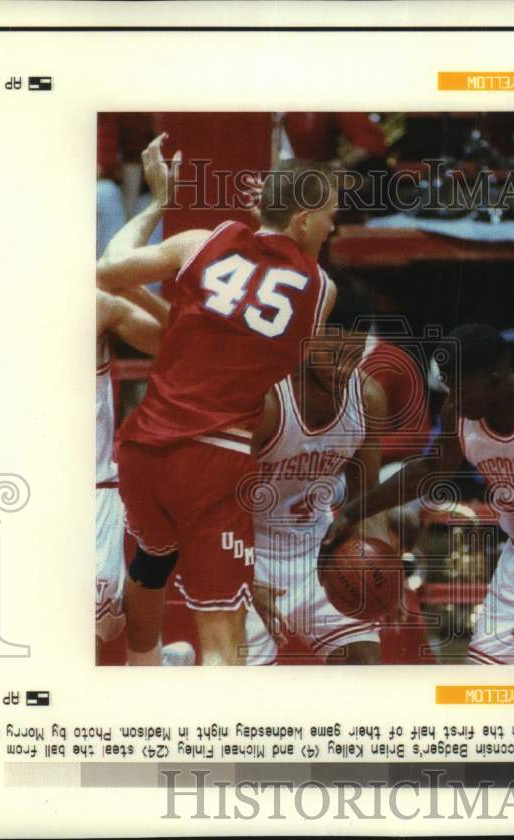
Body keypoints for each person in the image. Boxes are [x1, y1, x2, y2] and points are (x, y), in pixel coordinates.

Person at [97, 136, 338, 666]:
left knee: (150, 568)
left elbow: (109, 266)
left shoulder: (202, 241)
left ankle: (144, 674)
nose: (333, 227)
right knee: (222, 639)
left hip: (142, 449)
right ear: (301, 222)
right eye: (328, 217)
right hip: (213, 459)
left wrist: (159, 204)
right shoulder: (321, 289)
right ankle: (213, 745)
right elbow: (262, 340)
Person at [325, 323, 514, 664]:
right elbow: (429, 471)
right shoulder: (458, 413)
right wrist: (355, 512)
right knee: (486, 702)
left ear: (496, 377)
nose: (453, 399)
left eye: (460, 387)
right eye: (448, 386)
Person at [242, 284, 389, 665]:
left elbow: (367, 502)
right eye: (335, 353)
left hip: (317, 558)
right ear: (306, 338)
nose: (344, 366)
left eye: (354, 354)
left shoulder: (368, 398)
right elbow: (220, 504)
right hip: (250, 554)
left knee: (365, 662)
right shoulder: (268, 401)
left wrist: (384, 573)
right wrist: (241, 577)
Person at [95, 133, 194, 667]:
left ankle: (149, 666)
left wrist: (158, 203)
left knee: (78, 656)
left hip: (92, 490)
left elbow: (179, 344)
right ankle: (151, 665)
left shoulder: (97, 303)